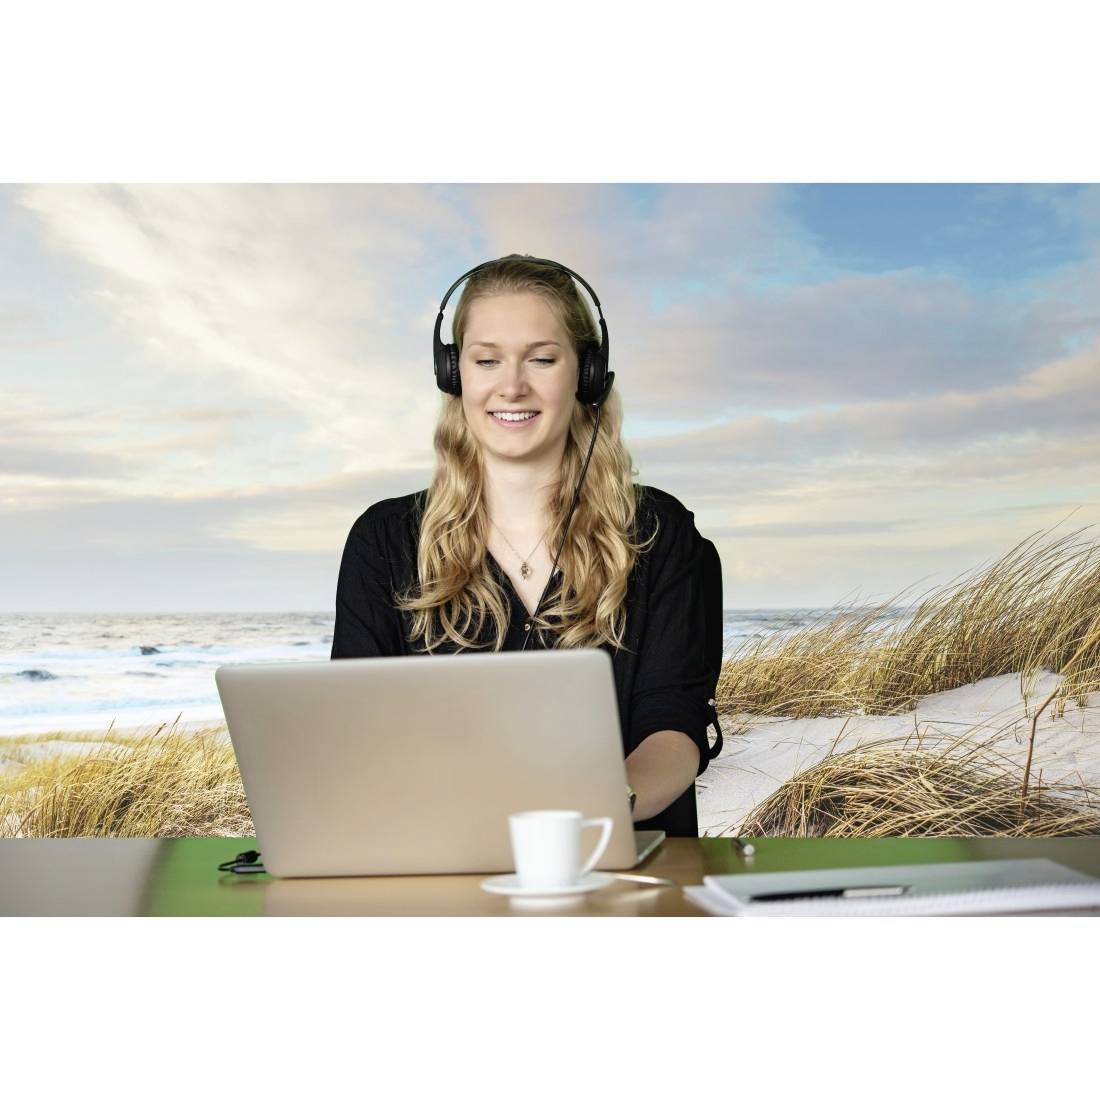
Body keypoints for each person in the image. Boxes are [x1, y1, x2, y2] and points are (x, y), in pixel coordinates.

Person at [331, 254, 715, 836]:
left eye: (541, 358)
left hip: (623, 874)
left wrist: (587, 816)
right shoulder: (382, 540)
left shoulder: (660, 532)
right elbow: (357, 736)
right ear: (454, 375)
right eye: (487, 360)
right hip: (443, 871)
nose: (511, 385)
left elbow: (673, 726)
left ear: (587, 374)